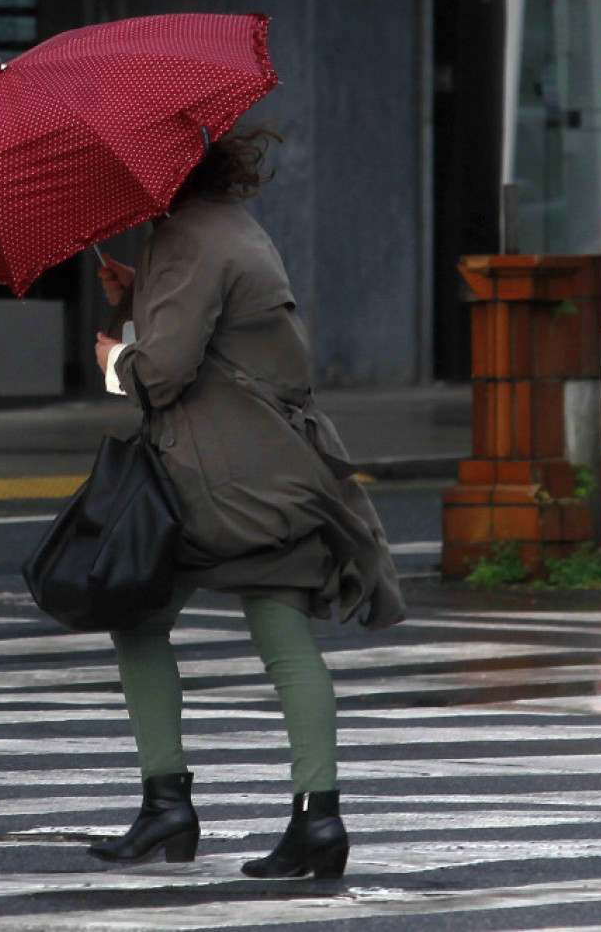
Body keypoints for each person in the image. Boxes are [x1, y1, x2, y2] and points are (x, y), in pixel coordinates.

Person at [91, 129, 405, 880]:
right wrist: (139, 291)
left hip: (220, 480)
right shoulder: (227, 225)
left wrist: (113, 358)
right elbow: (225, 328)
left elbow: (164, 371)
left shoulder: (187, 239)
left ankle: (168, 801)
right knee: (282, 635)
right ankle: (317, 819)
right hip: (274, 471)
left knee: (136, 618)